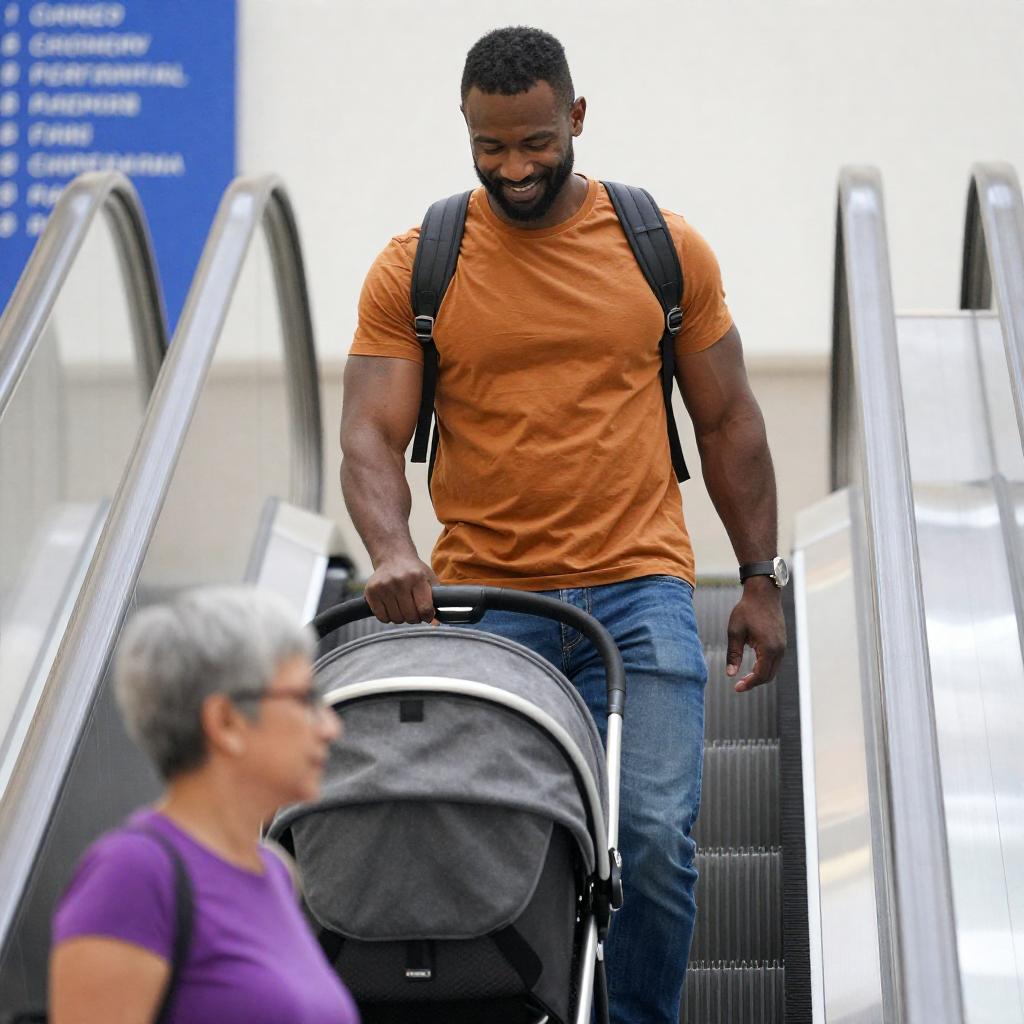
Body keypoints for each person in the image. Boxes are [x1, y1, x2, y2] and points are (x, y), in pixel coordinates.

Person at [339, 25, 786, 1024]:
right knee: (489, 849)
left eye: (536, 142)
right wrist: (392, 549)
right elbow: (369, 433)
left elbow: (727, 420)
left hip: (639, 592)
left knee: (652, 839)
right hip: (487, 607)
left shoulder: (660, 248)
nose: (514, 168)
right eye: (490, 147)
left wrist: (761, 576)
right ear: (465, 129)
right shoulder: (418, 266)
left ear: (576, 117)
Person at [48, 586, 360, 1024]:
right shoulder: (132, 874)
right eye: (305, 700)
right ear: (225, 722)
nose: (330, 727)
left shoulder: (274, 872)